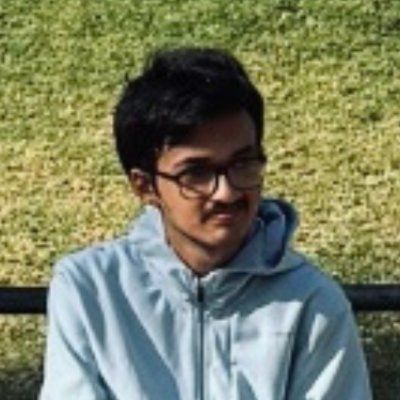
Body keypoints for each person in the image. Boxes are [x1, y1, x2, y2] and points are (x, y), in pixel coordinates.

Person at [40, 47, 372, 399]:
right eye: (196, 173)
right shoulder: (90, 287)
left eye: (243, 164)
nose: (226, 192)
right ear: (145, 186)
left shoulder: (312, 301)